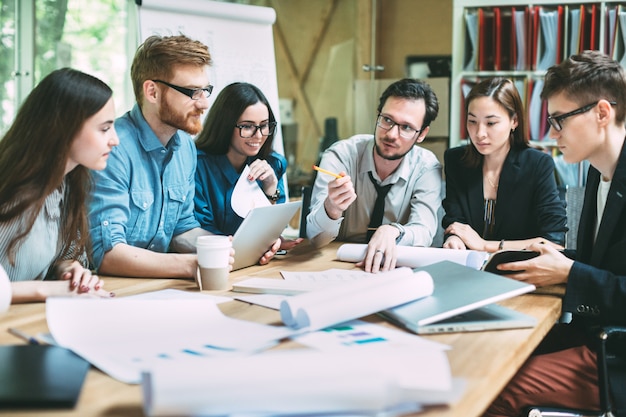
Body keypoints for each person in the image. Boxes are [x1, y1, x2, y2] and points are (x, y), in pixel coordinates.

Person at [485, 50, 626, 416]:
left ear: (602, 113)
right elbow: (609, 265)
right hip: (593, 332)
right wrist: (558, 259)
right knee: (491, 353)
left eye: (560, 120)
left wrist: (570, 273)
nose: (552, 133)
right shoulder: (596, 172)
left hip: (617, 353)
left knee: (496, 387)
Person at [89, 34, 218, 279]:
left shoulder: (186, 148)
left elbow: (182, 228)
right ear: (152, 92)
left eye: (205, 91)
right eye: (192, 92)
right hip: (113, 293)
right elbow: (106, 253)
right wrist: (190, 265)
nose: (204, 104)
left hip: (157, 289)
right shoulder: (112, 148)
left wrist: (230, 248)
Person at [0, 68, 117, 303]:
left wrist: (68, 268)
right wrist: (46, 291)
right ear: (65, 127)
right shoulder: (10, 188)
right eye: (104, 128)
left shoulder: (67, 184)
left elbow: (61, 256)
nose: (115, 139)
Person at [306, 78, 443, 273]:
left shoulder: (426, 168)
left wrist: (392, 231)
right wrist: (332, 208)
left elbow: (424, 231)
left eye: (406, 127)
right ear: (378, 115)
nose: (391, 134)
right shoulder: (341, 155)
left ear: (421, 134)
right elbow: (315, 239)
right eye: (387, 120)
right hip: (334, 266)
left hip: (393, 269)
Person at [442, 77, 567, 252]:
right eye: (472, 121)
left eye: (491, 123)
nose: (480, 133)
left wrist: (486, 245)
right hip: (468, 267)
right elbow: (454, 221)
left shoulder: (537, 164)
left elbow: (554, 242)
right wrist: (454, 237)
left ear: (514, 121)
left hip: (519, 270)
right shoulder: (456, 161)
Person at [194, 82, 302, 264]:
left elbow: (275, 228)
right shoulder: (198, 165)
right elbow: (203, 231)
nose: (258, 136)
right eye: (247, 126)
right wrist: (257, 245)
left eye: (264, 126)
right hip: (214, 262)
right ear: (226, 125)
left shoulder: (273, 163)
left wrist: (271, 189)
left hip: (255, 264)